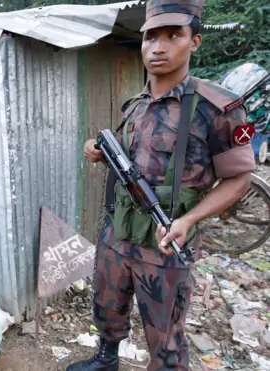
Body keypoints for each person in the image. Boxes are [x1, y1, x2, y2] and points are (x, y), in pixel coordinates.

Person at [69, 1, 254, 370]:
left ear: (195, 41)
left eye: (173, 36)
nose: (159, 47)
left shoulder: (216, 108)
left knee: (166, 336)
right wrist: (97, 150)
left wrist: (189, 221)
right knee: (107, 306)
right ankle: (106, 360)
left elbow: (239, 178)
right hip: (118, 233)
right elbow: (132, 161)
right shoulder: (135, 105)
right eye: (151, 37)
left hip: (167, 243)